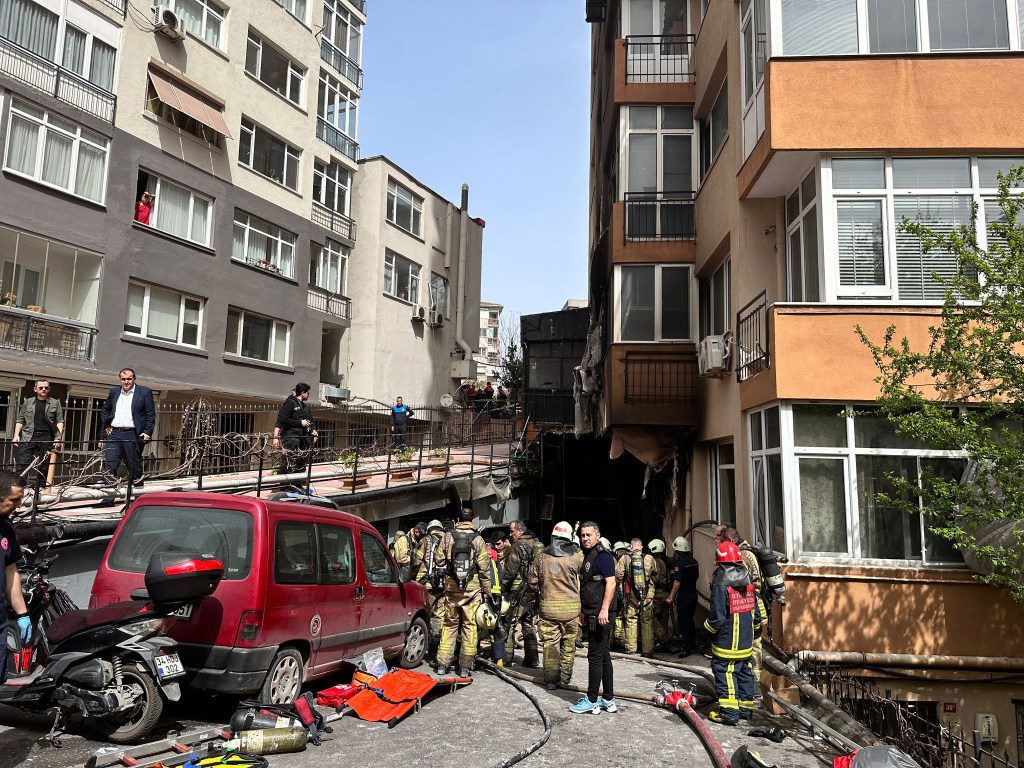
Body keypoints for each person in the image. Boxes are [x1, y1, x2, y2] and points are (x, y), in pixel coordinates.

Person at [704, 540, 763, 725]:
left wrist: (706, 631)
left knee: (726, 672)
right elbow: (756, 613)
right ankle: (746, 710)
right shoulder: (747, 579)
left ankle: (729, 713)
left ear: (718, 559)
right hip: (746, 641)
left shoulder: (721, 583)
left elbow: (717, 617)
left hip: (727, 642)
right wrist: (755, 630)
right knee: (745, 671)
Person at [434, 505, 492, 677]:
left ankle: (442, 665)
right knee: (469, 626)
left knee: (449, 624)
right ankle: (465, 667)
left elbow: (439, 560)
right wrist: (486, 590)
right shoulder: (478, 539)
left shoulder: (447, 536)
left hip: (451, 588)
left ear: (457, 521)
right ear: (472, 520)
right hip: (471, 589)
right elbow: (484, 568)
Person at [569, 521, 618, 714]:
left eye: (589, 535)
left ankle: (591, 700)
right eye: (582, 535)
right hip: (592, 613)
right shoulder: (589, 556)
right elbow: (589, 585)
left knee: (595, 657)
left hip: (601, 614)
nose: (585, 538)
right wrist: (583, 609)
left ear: (597, 535)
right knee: (604, 656)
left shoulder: (603, 556)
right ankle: (608, 699)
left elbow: (611, 583)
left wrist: (604, 609)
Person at [529, 520, 583, 690]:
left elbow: (532, 583)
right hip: (572, 610)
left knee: (550, 645)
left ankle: (552, 680)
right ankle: (566, 677)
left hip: (548, 610)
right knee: (569, 643)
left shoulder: (541, 557)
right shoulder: (576, 557)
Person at [100, 369, 155, 486]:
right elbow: (105, 409)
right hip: (113, 434)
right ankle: (108, 499)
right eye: (123, 379)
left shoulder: (144, 392)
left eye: (129, 379)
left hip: (132, 434)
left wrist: (147, 432)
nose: (126, 382)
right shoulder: (114, 392)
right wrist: (106, 425)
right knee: (110, 464)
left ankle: (138, 496)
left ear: (134, 379)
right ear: (120, 380)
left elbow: (150, 415)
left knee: (134, 466)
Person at [725, 526, 765, 691]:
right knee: (756, 644)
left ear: (731, 541)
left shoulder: (741, 556)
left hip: (750, 605)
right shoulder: (750, 553)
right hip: (758, 604)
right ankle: (753, 683)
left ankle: (753, 686)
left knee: (751, 645)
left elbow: (741, 584)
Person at [0, 470, 29, 684]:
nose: (19, 506)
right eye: (14, 500)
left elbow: (11, 573)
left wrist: (22, 614)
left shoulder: (6, 529)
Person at [501, 520, 542, 668]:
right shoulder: (536, 543)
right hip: (533, 590)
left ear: (519, 531)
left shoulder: (517, 546)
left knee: (509, 622)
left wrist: (502, 588)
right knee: (528, 623)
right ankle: (532, 659)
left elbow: (510, 570)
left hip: (519, 591)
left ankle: (506, 659)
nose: (510, 535)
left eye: (512, 531)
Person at [12, 380, 64, 484]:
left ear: (49, 389)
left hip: (47, 437)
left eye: (46, 388)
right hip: (29, 436)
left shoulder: (55, 403)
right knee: (23, 464)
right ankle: (19, 488)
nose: (44, 390)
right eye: (41, 388)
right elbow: (20, 420)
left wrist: (58, 437)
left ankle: (40, 489)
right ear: (35, 389)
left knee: (44, 466)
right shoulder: (28, 402)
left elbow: (60, 421)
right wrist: (16, 435)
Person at [618, 538, 656, 657]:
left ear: (630, 546)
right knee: (647, 621)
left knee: (631, 620)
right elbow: (655, 573)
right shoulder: (649, 558)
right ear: (641, 547)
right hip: (647, 595)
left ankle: (631, 648)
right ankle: (647, 650)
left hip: (632, 596)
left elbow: (618, 575)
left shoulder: (625, 558)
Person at [416, 520, 446, 660]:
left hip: (425, 585)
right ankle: (434, 649)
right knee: (438, 617)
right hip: (442, 586)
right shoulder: (448, 539)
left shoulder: (426, 540)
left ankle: (421, 647)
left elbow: (416, 561)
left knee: (422, 614)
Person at [273, 383, 318, 475]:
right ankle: (284, 484)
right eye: (308, 393)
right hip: (291, 437)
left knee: (301, 462)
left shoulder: (304, 407)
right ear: (302, 393)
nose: (309, 395)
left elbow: (310, 420)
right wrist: (275, 437)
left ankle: (297, 483)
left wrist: (313, 430)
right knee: (289, 461)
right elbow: (282, 421)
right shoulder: (290, 403)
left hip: (302, 438)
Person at [667, 535, 700, 657]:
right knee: (690, 621)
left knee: (684, 622)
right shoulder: (693, 560)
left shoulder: (680, 562)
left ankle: (687, 647)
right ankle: (691, 645)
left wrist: (671, 596)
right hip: (693, 594)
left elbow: (677, 581)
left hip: (684, 595)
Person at [484, 538, 507, 666]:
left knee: (472, 625)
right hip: (495, 595)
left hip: (481, 594)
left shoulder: (479, 554)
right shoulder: (495, 555)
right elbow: (501, 576)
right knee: (496, 625)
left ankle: (469, 655)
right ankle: (499, 659)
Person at [648, 538, 673, 651]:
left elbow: (656, 579)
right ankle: (663, 644)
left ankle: (663, 639)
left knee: (650, 616)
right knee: (663, 618)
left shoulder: (656, 561)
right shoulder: (669, 560)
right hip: (667, 593)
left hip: (658, 593)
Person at [612, 541, 629, 648]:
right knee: (628, 618)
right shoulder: (630, 559)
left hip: (619, 593)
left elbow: (617, 577)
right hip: (630, 594)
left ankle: (619, 639)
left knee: (618, 616)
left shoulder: (617, 560)